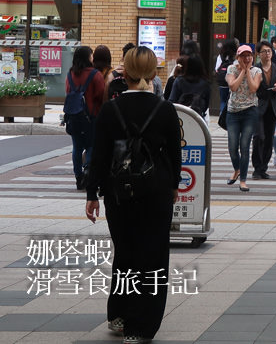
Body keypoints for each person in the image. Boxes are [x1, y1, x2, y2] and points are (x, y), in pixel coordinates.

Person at [85, 46, 181, 344]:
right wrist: (174, 186)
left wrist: (92, 194)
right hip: (156, 191)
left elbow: (99, 156)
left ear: (123, 73)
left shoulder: (110, 110)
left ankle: (119, 314)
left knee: (125, 252)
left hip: (118, 192)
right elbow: (175, 155)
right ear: (152, 73)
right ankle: (140, 327)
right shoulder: (165, 109)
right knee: (153, 256)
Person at [64, 45, 106, 190]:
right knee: (90, 146)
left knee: (77, 147)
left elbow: (68, 92)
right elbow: (101, 95)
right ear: (87, 57)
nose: (93, 57)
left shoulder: (70, 74)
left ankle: (78, 177)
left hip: (73, 116)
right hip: (91, 117)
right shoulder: (95, 74)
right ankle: (88, 172)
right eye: (91, 55)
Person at [225, 44, 261, 192]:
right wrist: (243, 71)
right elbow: (233, 87)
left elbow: (253, 88)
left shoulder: (257, 71)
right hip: (233, 112)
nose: (246, 58)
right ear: (237, 57)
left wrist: (248, 71)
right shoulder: (231, 69)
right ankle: (237, 169)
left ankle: (243, 180)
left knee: (244, 146)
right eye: (243, 56)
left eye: (249, 55)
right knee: (232, 147)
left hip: (250, 112)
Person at [251, 41, 276, 178]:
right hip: (258, 106)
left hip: (273, 107)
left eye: (269, 51)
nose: (267, 54)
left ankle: (263, 168)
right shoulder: (254, 69)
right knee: (259, 137)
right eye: (264, 51)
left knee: (269, 139)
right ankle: (257, 168)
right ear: (259, 54)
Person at [168, 53, 210, 118]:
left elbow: (172, 100)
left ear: (187, 66)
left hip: (180, 117)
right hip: (198, 118)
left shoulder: (179, 81)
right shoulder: (205, 83)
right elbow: (206, 106)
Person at [214, 39, 238, 117]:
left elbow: (217, 68)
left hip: (222, 83)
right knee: (232, 101)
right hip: (233, 82)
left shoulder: (221, 56)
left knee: (223, 101)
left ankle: (222, 116)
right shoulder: (236, 56)